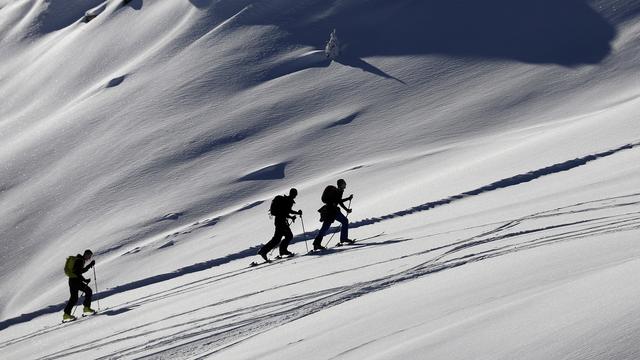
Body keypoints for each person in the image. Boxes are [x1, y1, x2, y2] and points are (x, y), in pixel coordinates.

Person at [258, 188, 303, 261]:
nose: (295, 196)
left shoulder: (285, 199)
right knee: (288, 236)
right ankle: (282, 251)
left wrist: (291, 217)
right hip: (281, 222)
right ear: (294, 194)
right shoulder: (288, 201)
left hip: (278, 221)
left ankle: (263, 251)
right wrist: (296, 213)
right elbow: (287, 211)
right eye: (295, 194)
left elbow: (284, 212)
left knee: (277, 239)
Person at [313, 179, 354, 250]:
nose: (345, 185)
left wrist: (347, 201)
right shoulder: (338, 191)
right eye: (344, 184)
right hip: (332, 211)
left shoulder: (336, 190)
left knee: (326, 227)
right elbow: (339, 201)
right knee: (342, 222)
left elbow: (338, 201)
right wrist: (347, 206)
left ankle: (317, 244)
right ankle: (343, 238)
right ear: (341, 185)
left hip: (330, 210)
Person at [62, 249, 96, 321]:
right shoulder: (80, 260)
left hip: (72, 280)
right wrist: (85, 279)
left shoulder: (79, 259)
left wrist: (85, 279)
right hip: (76, 281)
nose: (89, 258)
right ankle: (86, 308)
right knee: (89, 291)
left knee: (74, 298)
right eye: (89, 256)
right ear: (86, 254)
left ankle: (66, 314)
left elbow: (78, 272)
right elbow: (78, 272)